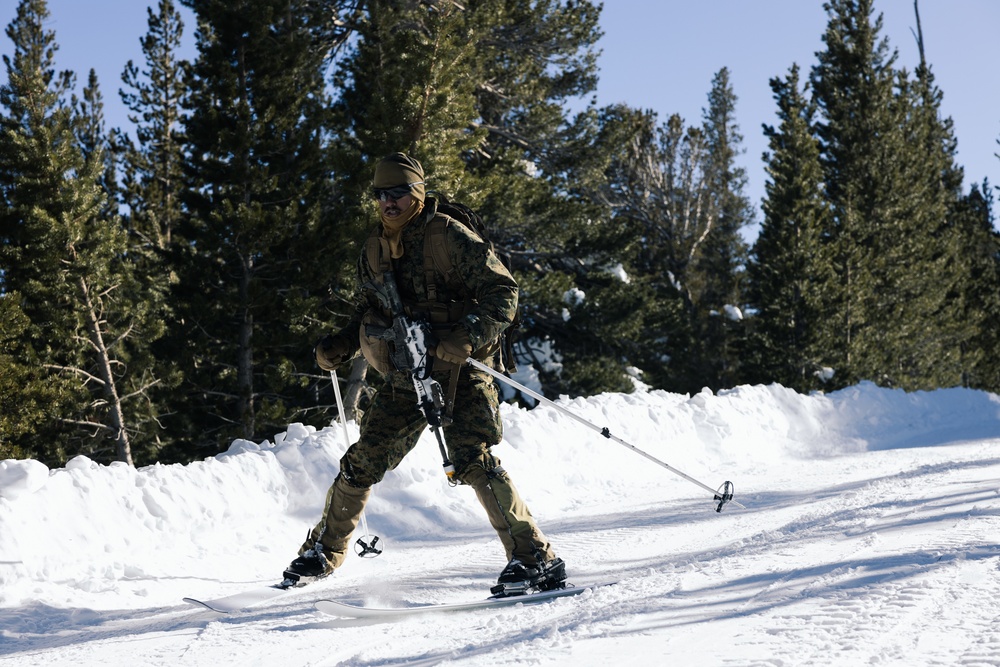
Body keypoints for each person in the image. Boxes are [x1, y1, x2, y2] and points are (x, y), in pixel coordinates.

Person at [284, 152, 565, 595]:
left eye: (398, 192)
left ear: (416, 193)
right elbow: (372, 307)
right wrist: (342, 340)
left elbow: (503, 292)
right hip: (405, 371)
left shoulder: (447, 235)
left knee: (472, 459)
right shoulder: (374, 247)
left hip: (459, 370)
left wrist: (468, 335)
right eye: (381, 194)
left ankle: (535, 560)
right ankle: (323, 551)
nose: (388, 202)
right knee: (363, 460)